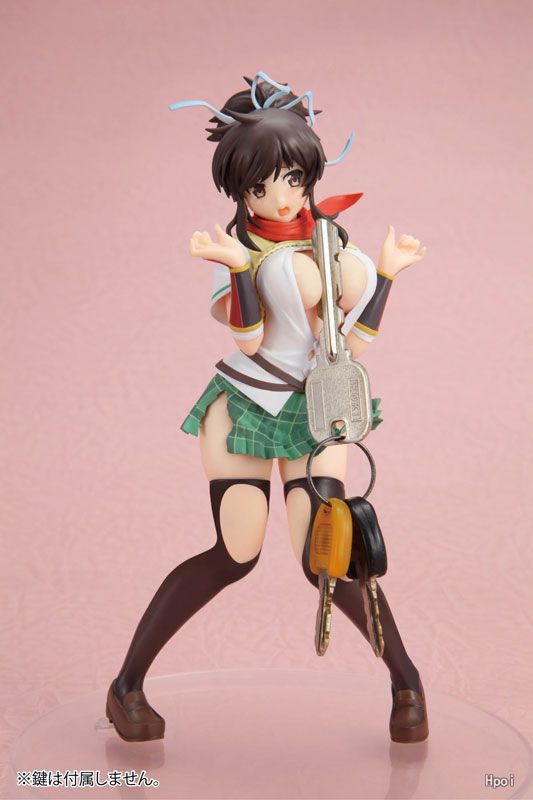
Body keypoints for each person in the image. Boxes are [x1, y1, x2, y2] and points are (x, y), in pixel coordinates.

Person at [105, 73, 428, 744]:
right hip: (245, 408)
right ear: (240, 191)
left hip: (318, 410)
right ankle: (127, 685)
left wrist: (386, 275)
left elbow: (352, 344)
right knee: (235, 554)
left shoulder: (333, 242)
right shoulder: (240, 248)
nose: (280, 197)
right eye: (260, 187)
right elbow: (249, 339)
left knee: (326, 557)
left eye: (291, 179)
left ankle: (406, 681)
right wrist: (237, 268)